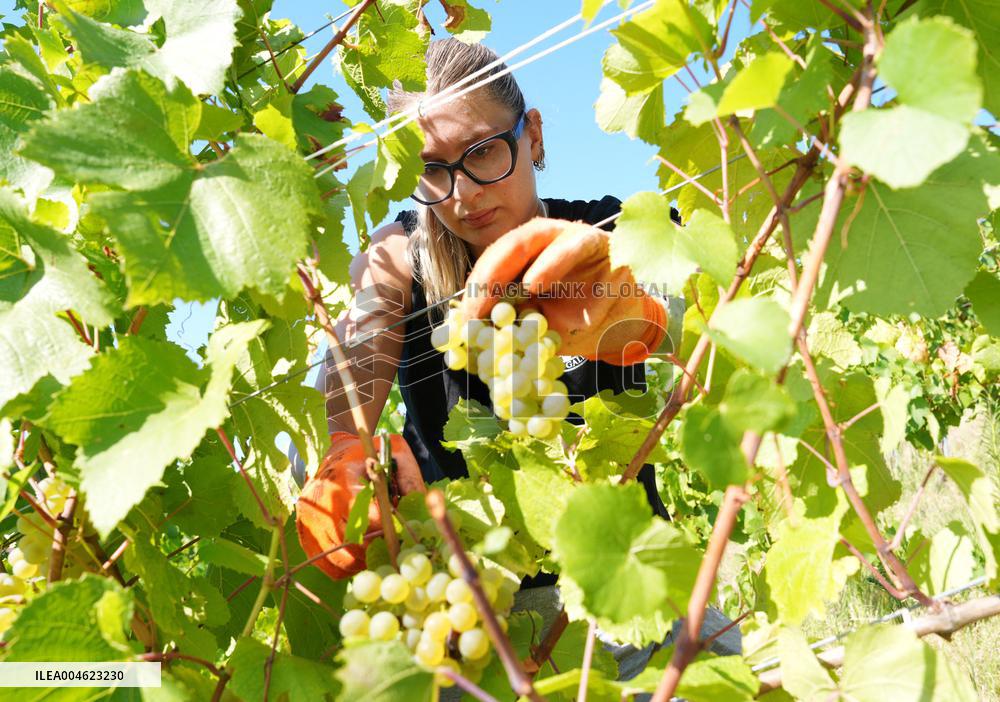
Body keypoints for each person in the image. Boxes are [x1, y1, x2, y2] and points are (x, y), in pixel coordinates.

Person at [292, 37, 739, 687]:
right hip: (479, 622)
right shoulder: (404, 260)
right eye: (432, 170)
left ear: (530, 134)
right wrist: (341, 445)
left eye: (481, 153)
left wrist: (645, 303)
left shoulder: (604, 231)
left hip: (634, 585)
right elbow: (355, 358)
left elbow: (711, 284)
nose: (461, 192)